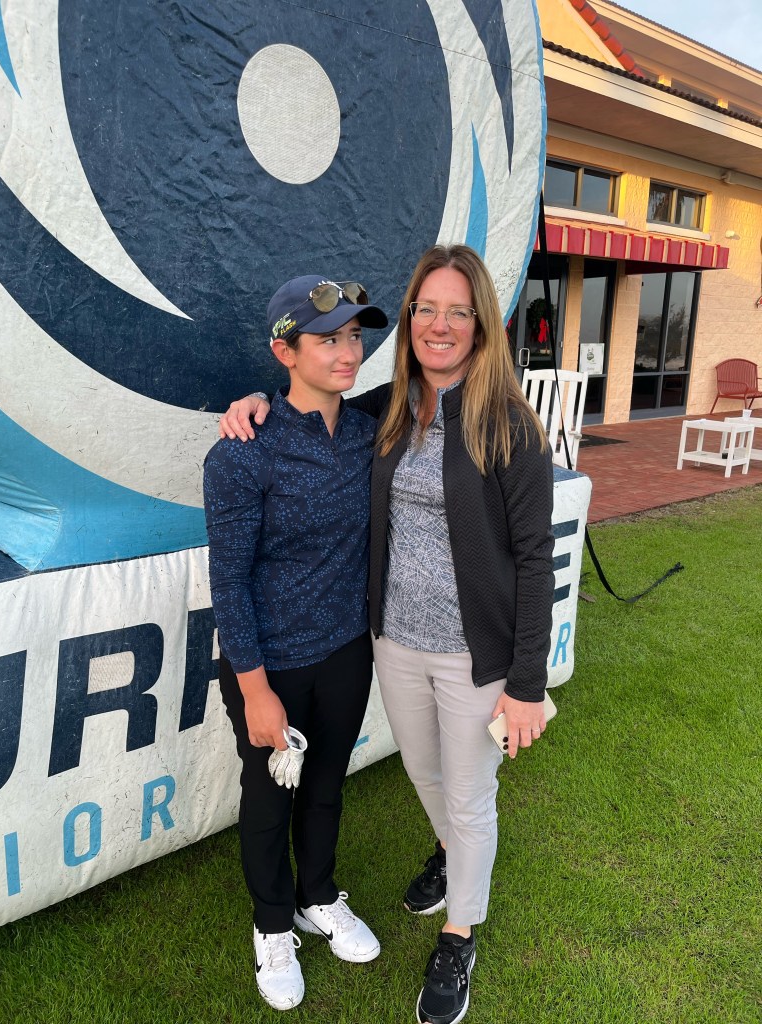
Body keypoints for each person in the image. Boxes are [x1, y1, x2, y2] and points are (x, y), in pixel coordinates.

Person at [219, 245, 555, 1024]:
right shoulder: (390, 409)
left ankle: (458, 934)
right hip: (391, 645)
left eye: (458, 311)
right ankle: (439, 861)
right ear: (410, 320)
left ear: (482, 324)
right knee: (423, 776)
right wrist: (256, 400)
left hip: (467, 654)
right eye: (426, 309)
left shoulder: (507, 425)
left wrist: (527, 682)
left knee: (466, 795)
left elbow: (535, 558)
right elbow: (309, 402)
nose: (440, 324)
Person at [203, 275, 388, 1011]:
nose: (349, 352)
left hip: (346, 650)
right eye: (328, 339)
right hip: (270, 664)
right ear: (285, 351)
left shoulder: (370, 429)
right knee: (268, 798)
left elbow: (440, 388)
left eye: (355, 336)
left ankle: (318, 896)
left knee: (326, 786)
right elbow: (228, 581)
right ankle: (273, 923)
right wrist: (255, 690)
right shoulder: (243, 451)